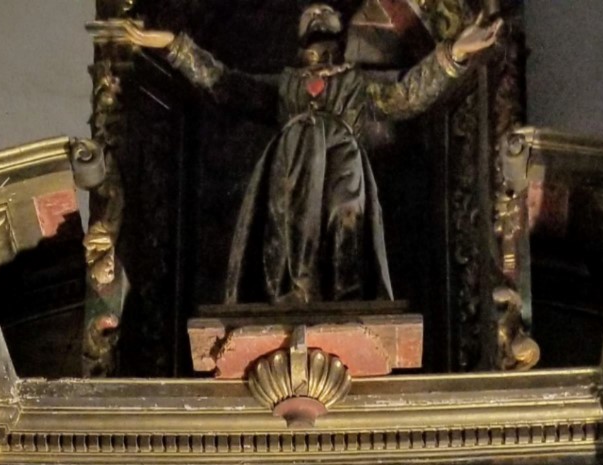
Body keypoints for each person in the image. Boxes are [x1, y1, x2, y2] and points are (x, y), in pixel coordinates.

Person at [114, 6, 503, 306]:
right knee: (290, 223)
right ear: (301, 42)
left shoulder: (357, 83)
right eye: (313, 28)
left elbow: (407, 94)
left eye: (326, 28)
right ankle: (290, 295)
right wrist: (173, 46)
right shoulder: (285, 85)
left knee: (345, 215)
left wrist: (454, 52)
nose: (320, 36)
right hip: (293, 163)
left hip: (342, 160)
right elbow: (226, 84)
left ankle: (346, 297)